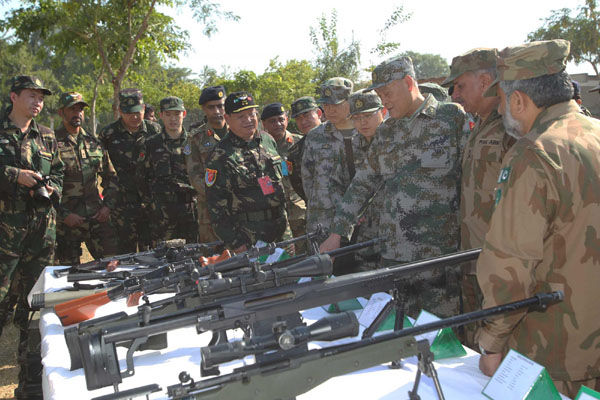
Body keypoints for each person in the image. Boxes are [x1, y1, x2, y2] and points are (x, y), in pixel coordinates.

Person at [474, 39, 600, 397]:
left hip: (556, 349)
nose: (500, 111)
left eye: (500, 100)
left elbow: (510, 262)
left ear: (518, 100)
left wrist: (492, 341)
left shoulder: (535, 154)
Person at [320, 56, 469, 317]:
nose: (384, 100)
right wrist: (337, 234)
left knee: (442, 338)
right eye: (379, 94)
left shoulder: (450, 119)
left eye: (387, 93)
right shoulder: (387, 131)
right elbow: (363, 183)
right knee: (396, 335)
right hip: (394, 256)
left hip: (438, 257)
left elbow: (473, 181)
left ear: (409, 82)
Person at [440, 48, 515, 349]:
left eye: (460, 86)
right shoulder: (480, 125)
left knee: (496, 349)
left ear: (485, 82)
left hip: (499, 267)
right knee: (473, 343)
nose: (455, 95)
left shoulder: (510, 128)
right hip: (471, 258)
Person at [0, 75, 64, 335]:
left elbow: (58, 172)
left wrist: (52, 188)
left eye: (41, 98)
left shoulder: (47, 136)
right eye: (31, 95)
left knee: (37, 296)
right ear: (14, 97)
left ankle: (30, 366)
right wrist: (16, 176)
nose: (38, 102)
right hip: (6, 231)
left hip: (41, 231)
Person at [205, 92, 293, 254]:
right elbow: (216, 207)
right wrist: (236, 243)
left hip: (281, 230)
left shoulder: (267, 140)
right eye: (241, 116)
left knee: (291, 275)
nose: (248, 120)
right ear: (228, 118)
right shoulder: (220, 155)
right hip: (248, 235)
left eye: (252, 114)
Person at [54, 92, 119, 265]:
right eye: (72, 109)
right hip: (66, 223)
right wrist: (63, 215)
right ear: (61, 112)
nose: (78, 113)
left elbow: (111, 178)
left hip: (96, 219)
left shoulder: (94, 142)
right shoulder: (51, 143)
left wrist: (107, 207)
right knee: (67, 276)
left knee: (112, 266)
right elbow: (46, 186)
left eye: (81, 109)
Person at [302, 77, 358, 274]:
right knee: (322, 277)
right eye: (325, 105)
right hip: (323, 222)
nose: (330, 110)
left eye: (336, 104)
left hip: (363, 223)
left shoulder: (366, 129)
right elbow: (307, 179)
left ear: (350, 101)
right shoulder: (316, 136)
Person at [98, 88, 161, 253]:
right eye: (128, 113)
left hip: (151, 204)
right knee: (125, 254)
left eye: (138, 112)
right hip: (122, 205)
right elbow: (103, 169)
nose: (134, 117)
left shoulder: (155, 131)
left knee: (153, 253)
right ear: (120, 111)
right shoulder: (108, 134)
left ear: (143, 108)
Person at [136, 96, 198, 245]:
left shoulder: (194, 142)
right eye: (168, 114)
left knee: (193, 253)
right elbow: (141, 177)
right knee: (164, 256)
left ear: (184, 114)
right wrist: (151, 203)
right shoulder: (150, 144)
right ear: (161, 115)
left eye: (177, 114)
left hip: (190, 210)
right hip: (161, 213)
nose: (173, 119)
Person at [347, 90, 385, 271]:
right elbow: (342, 183)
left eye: (368, 115)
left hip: (396, 225)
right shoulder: (350, 146)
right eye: (356, 117)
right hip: (365, 229)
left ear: (382, 112)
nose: (362, 122)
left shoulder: (397, 140)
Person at [261, 103, 306, 247]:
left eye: (281, 119)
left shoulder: (300, 143)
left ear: (287, 119)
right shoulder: (258, 147)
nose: (277, 124)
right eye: (272, 121)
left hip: (298, 211)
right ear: (264, 124)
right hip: (272, 214)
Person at [185, 86, 226, 243]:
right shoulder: (196, 138)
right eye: (211, 107)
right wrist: (217, 195)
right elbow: (195, 175)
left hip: (240, 208)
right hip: (210, 210)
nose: (217, 111)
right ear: (203, 109)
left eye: (220, 106)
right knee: (213, 258)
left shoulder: (238, 131)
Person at [286, 96, 323, 202]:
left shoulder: (338, 138)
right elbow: (298, 185)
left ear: (319, 114)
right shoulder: (295, 152)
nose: (303, 121)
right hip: (316, 210)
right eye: (298, 118)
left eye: (306, 115)